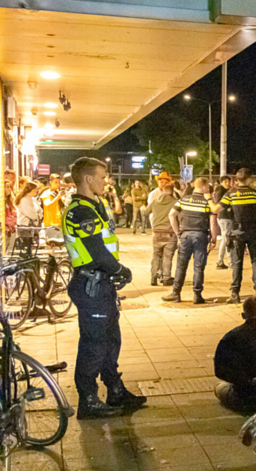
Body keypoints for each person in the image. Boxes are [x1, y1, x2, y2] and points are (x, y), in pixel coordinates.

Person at [62, 157, 145, 419]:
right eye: (101, 176)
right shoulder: (80, 211)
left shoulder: (97, 205)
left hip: (102, 283)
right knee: (93, 345)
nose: (105, 180)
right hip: (91, 283)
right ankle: (88, 400)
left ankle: (115, 390)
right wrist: (122, 271)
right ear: (88, 179)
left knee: (110, 341)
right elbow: (96, 251)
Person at [162, 178, 219, 304]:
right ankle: (197, 295)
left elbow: (171, 215)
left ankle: (176, 293)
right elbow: (213, 222)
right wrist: (214, 238)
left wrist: (178, 233)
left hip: (185, 236)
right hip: (201, 236)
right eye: (208, 187)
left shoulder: (183, 199)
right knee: (199, 267)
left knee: (181, 266)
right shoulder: (207, 203)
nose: (209, 190)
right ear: (203, 187)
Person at [221, 168, 256, 304]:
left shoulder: (230, 194)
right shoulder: (255, 194)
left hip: (236, 232)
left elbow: (218, 209)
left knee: (237, 262)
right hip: (253, 231)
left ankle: (235, 293)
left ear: (237, 179)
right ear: (249, 179)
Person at [146, 172, 178, 287]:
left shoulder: (154, 200)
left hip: (156, 232)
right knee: (167, 257)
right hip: (169, 233)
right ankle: (166, 278)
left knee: (156, 255)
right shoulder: (175, 202)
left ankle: (153, 277)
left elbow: (145, 212)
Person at [214, 176, 234, 270]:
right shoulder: (220, 189)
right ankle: (221, 261)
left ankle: (226, 261)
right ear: (223, 182)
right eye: (227, 182)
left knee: (226, 239)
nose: (228, 184)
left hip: (225, 217)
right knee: (225, 239)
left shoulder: (222, 189)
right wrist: (228, 207)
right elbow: (218, 202)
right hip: (224, 217)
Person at [14, 180, 40, 250]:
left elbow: (40, 210)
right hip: (24, 227)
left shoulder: (33, 199)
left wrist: (38, 214)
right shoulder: (24, 200)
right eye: (36, 190)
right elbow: (31, 214)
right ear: (31, 190)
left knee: (31, 248)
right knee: (25, 248)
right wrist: (37, 215)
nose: (37, 191)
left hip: (31, 227)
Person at [40, 174, 65, 243]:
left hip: (60, 223)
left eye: (59, 182)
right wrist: (58, 197)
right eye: (55, 182)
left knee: (61, 247)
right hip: (50, 224)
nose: (57, 184)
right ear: (50, 182)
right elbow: (47, 204)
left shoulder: (58, 193)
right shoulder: (46, 193)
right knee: (52, 245)